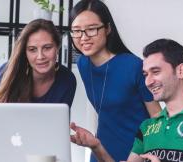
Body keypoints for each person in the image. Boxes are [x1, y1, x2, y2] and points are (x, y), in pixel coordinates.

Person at [70, 39, 183, 162]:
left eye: (155, 71)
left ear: (181, 70)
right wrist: (97, 146)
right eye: (145, 74)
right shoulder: (147, 127)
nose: (148, 82)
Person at [69, 0, 161, 161]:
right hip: (99, 153)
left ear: (108, 28)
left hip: (136, 154)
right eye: (76, 31)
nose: (83, 37)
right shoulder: (83, 64)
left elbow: (157, 116)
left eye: (91, 29)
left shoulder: (133, 66)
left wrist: (143, 154)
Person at [0, 19, 76, 107]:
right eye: (32, 49)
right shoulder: (3, 74)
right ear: (25, 52)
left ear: (57, 47)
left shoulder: (67, 79)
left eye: (47, 47)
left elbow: (60, 119)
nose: (40, 56)